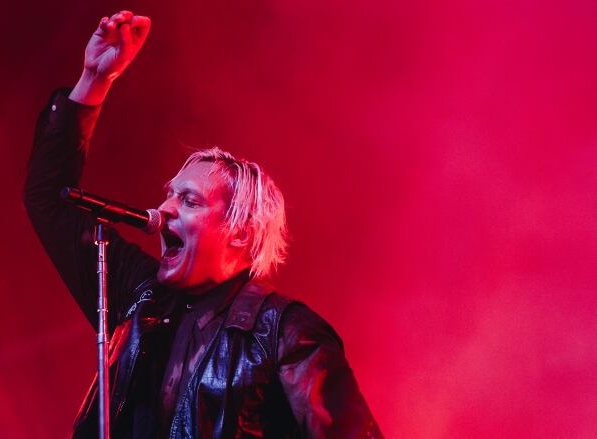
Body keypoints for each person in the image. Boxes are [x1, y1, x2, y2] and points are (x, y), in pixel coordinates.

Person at [24, 10, 382, 439]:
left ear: (240, 231)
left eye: (189, 200)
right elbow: (49, 199)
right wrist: (93, 81)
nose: (165, 210)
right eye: (169, 193)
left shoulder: (285, 332)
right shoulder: (138, 300)